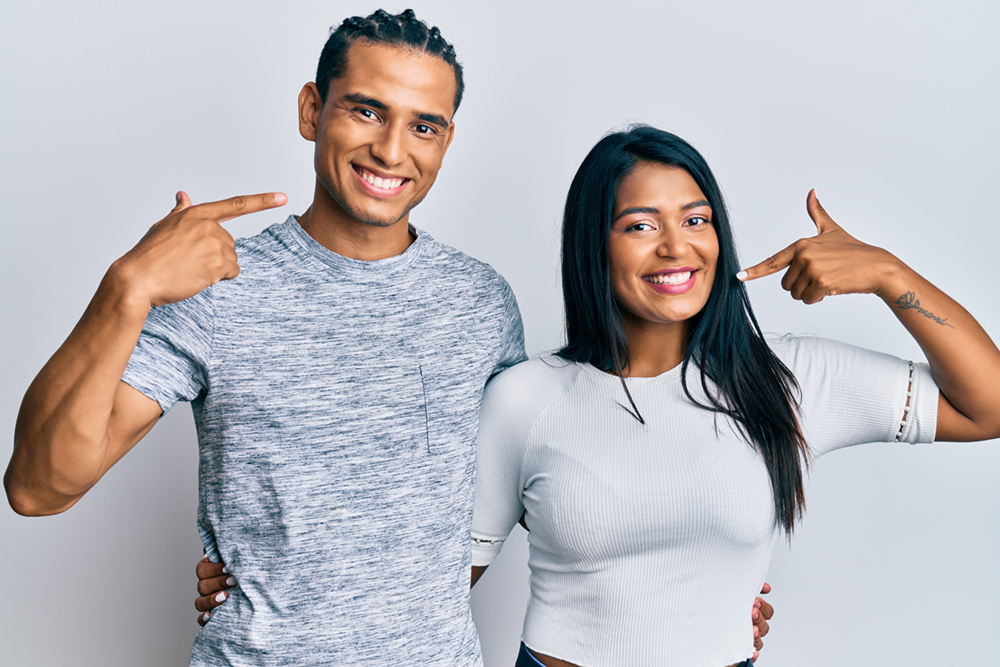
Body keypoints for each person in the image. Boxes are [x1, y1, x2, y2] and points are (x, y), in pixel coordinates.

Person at [5, 9, 526, 667]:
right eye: (366, 111)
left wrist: (388, 596)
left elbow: (538, 485)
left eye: (423, 126)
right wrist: (125, 288)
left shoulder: (481, 301)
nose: (393, 150)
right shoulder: (217, 287)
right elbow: (37, 486)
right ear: (312, 110)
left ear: (445, 142)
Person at [461, 126, 999, 667]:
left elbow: (989, 407)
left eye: (696, 220)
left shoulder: (783, 377)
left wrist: (888, 273)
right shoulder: (524, 400)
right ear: (592, 244)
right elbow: (431, 595)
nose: (677, 246)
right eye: (640, 225)